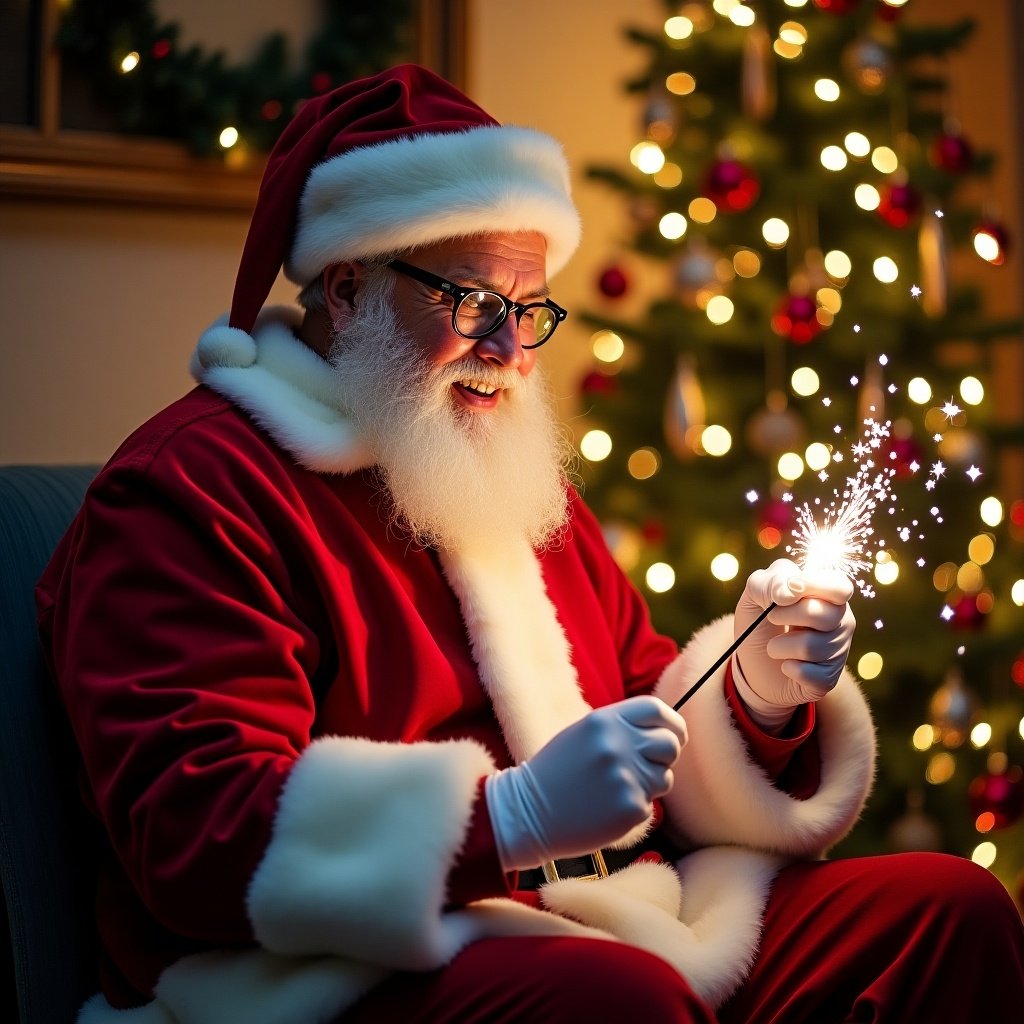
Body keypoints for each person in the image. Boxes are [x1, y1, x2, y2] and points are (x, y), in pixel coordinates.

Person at [38, 64, 1022, 1024]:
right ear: (346, 289)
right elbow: (193, 835)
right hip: (339, 971)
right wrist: (506, 818)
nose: (510, 352)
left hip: (601, 913)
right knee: (618, 1002)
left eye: (530, 309)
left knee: (945, 910)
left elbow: (643, 712)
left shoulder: (498, 469)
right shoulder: (193, 489)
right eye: (474, 304)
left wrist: (752, 695)